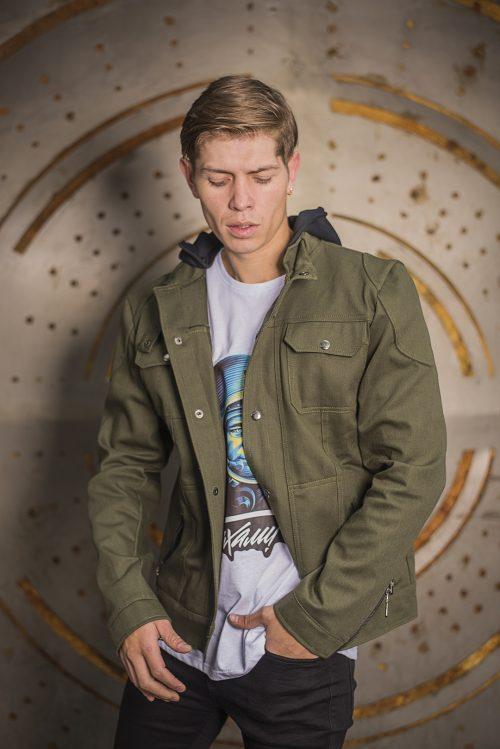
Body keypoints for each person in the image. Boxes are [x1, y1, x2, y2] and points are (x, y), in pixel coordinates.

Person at [87, 74, 447, 749]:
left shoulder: (371, 290)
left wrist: (316, 618)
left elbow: (414, 468)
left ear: (292, 170)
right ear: (189, 176)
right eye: (218, 178)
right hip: (178, 633)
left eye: (260, 175)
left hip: (302, 638)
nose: (241, 201)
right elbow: (124, 468)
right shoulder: (156, 307)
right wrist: (131, 603)